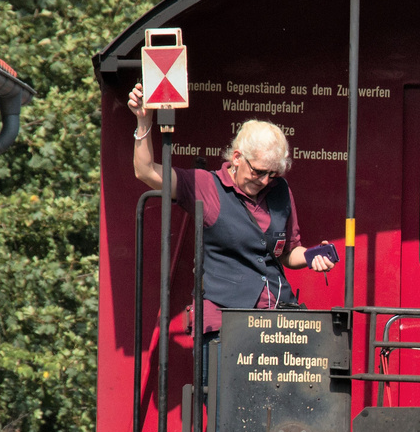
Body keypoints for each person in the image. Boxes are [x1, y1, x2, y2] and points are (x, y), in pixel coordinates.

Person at [128, 82, 333, 339]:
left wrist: (312, 256)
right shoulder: (207, 185)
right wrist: (144, 122)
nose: (265, 180)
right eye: (258, 171)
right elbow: (146, 171)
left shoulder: (280, 190)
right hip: (223, 324)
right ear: (237, 157)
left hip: (276, 319)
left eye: (273, 173)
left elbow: (288, 253)